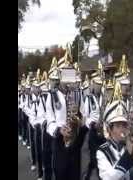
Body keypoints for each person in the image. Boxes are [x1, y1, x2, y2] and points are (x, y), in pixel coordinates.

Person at [46, 49, 88, 180]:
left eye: (70, 73)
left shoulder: (78, 93)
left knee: (75, 174)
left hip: (75, 140)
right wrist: (59, 130)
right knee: (61, 174)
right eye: (66, 74)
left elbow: (84, 116)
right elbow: (50, 122)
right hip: (60, 142)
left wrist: (80, 118)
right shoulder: (52, 96)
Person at [97, 82, 133, 180]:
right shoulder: (102, 151)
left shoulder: (130, 147)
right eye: (118, 126)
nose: (122, 129)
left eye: (124, 125)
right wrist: (128, 154)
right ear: (109, 129)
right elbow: (109, 177)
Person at [81, 63, 106, 180]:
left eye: (100, 84)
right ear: (93, 84)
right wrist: (92, 123)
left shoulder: (104, 97)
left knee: (102, 157)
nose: (99, 87)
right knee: (93, 157)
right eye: (97, 84)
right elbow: (85, 117)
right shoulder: (88, 98)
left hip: (104, 130)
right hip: (93, 130)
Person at [29, 69, 44, 180]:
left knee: (45, 151)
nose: (38, 89)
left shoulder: (44, 98)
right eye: (36, 87)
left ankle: (44, 167)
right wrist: (35, 123)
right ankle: (37, 168)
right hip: (36, 127)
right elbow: (31, 114)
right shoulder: (33, 100)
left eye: (39, 87)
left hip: (44, 127)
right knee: (36, 147)